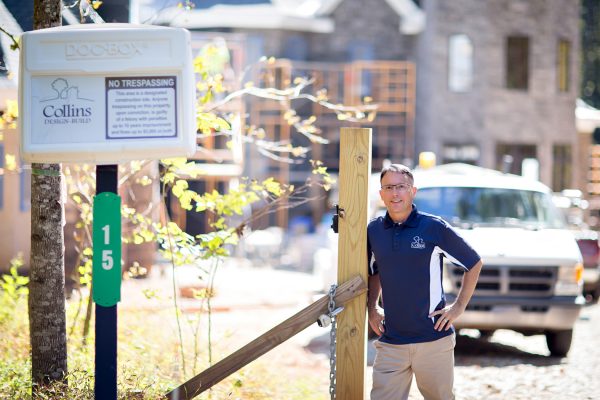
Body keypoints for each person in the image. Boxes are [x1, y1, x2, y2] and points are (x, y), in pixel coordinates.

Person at [367, 163, 483, 400]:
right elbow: (374, 270)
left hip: (433, 340)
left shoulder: (432, 227)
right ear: (381, 194)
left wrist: (458, 306)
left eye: (401, 186)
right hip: (391, 341)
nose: (395, 193)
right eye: (389, 187)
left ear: (413, 191)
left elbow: (473, 263)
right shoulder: (374, 231)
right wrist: (372, 308)